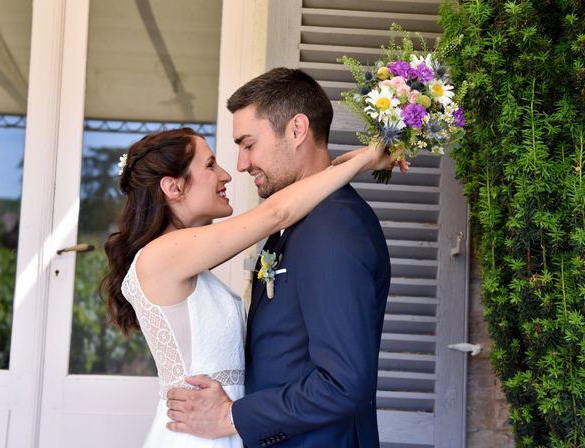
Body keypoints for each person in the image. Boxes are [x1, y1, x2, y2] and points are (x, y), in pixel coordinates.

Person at [102, 120, 404, 446]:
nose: (227, 174)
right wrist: (364, 159)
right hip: (198, 433)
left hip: (222, 426)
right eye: (209, 164)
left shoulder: (185, 257)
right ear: (173, 187)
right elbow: (276, 214)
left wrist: (333, 166)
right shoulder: (162, 255)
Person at [165, 68, 406, 447]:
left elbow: (344, 383)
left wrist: (230, 416)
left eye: (248, 144)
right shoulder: (301, 220)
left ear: (296, 130)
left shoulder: (333, 228)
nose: (241, 164)